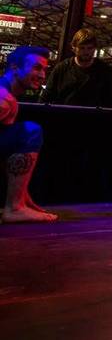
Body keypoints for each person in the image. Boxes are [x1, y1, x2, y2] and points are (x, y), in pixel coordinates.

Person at [1, 46, 57, 222]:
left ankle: (17, 204)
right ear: (15, 68)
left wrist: (22, 194)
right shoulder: (3, 99)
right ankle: (14, 208)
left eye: (44, 70)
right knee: (30, 131)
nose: (42, 76)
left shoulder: (9, 96)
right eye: (36, 68)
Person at [39, 28, 112, 107]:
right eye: (82, 48)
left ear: (94, 48)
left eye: (89, 48)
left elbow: (109, 100)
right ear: (74, 48)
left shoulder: (104, 71)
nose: (86, 52)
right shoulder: (62, 68)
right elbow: (47, 96)